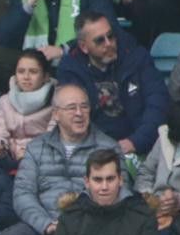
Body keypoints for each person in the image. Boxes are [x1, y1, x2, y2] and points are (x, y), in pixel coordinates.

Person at [1, 83, 124, 235]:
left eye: (84, 107)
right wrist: (47, 224)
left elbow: (120, 192)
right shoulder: (37, 147)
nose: (79, 113)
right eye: (71, 108)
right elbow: (23, 193)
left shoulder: (108, 146)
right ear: (56, 114)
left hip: (89, 228)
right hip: (46, 225)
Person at [57, 12, 171, 161]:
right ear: (84, 47)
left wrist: (136, 141)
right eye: (100, 40)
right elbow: (72, 117)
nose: (109, 43)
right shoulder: (71, 69)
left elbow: (158, 104)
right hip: (92, 151)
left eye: (110, 36)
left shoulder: (137, 58)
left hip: (141, 147)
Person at [0, 50, 56, 164]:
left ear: (46, 76)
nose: (26, 77)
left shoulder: (56, 101)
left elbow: (52, 136)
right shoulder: (5, 100)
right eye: (21, 71)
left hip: (43, 159)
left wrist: (30, 152)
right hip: (9, 157)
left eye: (33, 72)